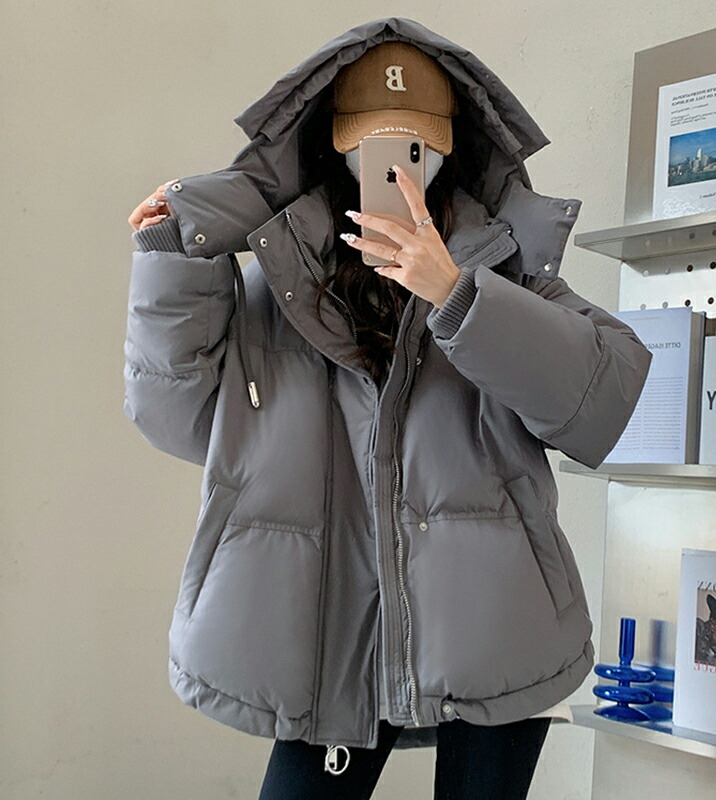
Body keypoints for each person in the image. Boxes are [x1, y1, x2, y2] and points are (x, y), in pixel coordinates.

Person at [125, 19, 651, 800]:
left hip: (497, 629)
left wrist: (459, 295)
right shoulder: (279, 281)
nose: (400, 165)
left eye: (417, 144)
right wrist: (173, 257)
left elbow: (605, 399)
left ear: (451, 146)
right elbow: (178, 420)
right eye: (376, 144)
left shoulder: (505, 270)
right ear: (336, 143)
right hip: (331, 631)